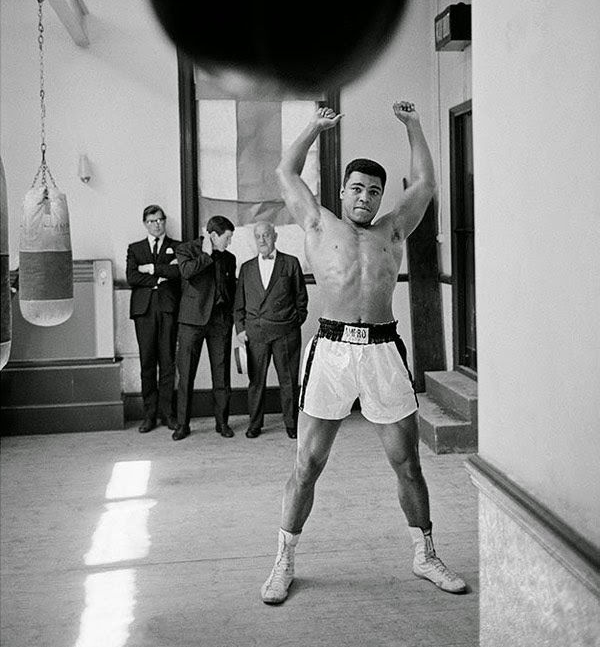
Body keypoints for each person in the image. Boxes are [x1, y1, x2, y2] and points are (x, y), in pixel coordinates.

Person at [260, 103, 467, 604]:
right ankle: (284, 559)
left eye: (374, 191)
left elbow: (425, 182)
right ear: (342, 191)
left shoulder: (393, 231)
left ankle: (425, 554)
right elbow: (285, 171)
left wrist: (414, 125)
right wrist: (315, 127)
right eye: (357, 188)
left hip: (381, 350)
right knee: (307, 464)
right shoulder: (317, 223)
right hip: (330, 351)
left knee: (408, 462)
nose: (365, 197)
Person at [234, 221, 309, 440]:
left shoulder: (290, 263)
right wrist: (240, 329)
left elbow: (301, 299)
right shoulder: (246, 268)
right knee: (256, 382)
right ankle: (254, 424)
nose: (262, 240)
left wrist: (294, 323)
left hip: (285, 332)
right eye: (258, 236)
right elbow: (239, 304)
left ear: (275, 236)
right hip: (255, 333)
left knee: (288, 380)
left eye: (266, 235)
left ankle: (291, 424)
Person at [173, 215, 237, 441]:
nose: (229, 242)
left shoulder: (230, 258)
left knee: (222, 375)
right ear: (213, 236)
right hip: (192, 322)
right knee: (186, 375)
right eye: (227, 238)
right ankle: (182, 425)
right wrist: (207, 255)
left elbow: (231, 289)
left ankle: (222, 423)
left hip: (220, 322)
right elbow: (186, 272)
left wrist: (231, 319)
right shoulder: (186, 250)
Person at [126, 205, 181, 433]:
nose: (156, 224)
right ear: (145, 224)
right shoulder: (135, 248)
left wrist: (150, 268)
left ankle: (168, 413)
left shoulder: (177, 247)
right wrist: (159, 278)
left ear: (164, 221)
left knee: (168, 362)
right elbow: (131, 277)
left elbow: (178, 273)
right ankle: (149, 415)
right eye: (151, 221)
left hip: (168, 309)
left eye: (159, 220)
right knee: (147, 362)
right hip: (144, 311)